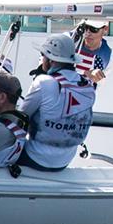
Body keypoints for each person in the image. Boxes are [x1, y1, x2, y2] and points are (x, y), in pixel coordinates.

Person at [17, 33, 96, 172]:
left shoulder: (43, 82)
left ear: (50, 60)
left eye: (43, 56)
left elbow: (21, 117)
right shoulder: (88, 86)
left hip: (35, 157)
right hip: (64, 161)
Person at [73, 19, 112, 85]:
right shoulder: (71, 40)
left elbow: (100, 85)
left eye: (93, 29)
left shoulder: (108, 55)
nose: (88, 33)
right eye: (85, 27)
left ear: (105, 29)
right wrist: (86, 73)